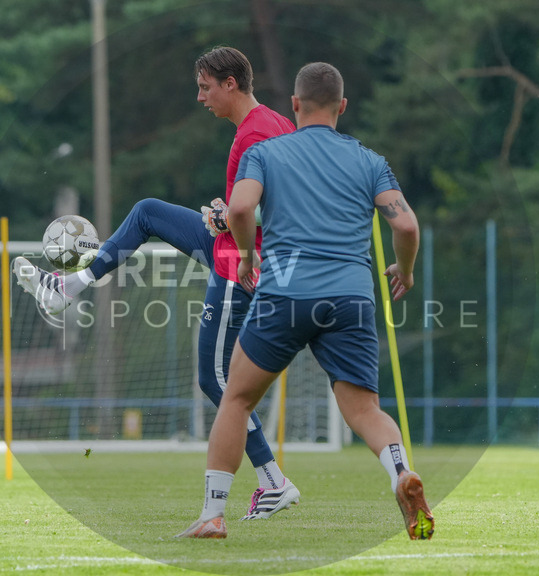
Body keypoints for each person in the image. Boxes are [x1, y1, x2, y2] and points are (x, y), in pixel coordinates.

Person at [13, 46, 300, 520]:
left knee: (215, 380)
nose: (200, 97)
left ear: (231, 83)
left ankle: (272, 482)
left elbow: (274, 206)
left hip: (243, 267)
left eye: (205, 87)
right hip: (234, 248)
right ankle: (67, 288)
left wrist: (232, 221)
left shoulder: (255, 134)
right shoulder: (268, 124)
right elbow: (269, 202)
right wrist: (223, 216)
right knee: (147, 212)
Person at [177, 62, 434, 540]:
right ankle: (401, 474)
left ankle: (213, 515)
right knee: (364, 411)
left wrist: (249, 257)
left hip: (285, 292)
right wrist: (406, 269)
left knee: (235, 397)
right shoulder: (369, 159)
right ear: (343, 106)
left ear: (294, 105)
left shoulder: (268, 152)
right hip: (351, 298)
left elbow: (237, 208)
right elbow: (406, 226)